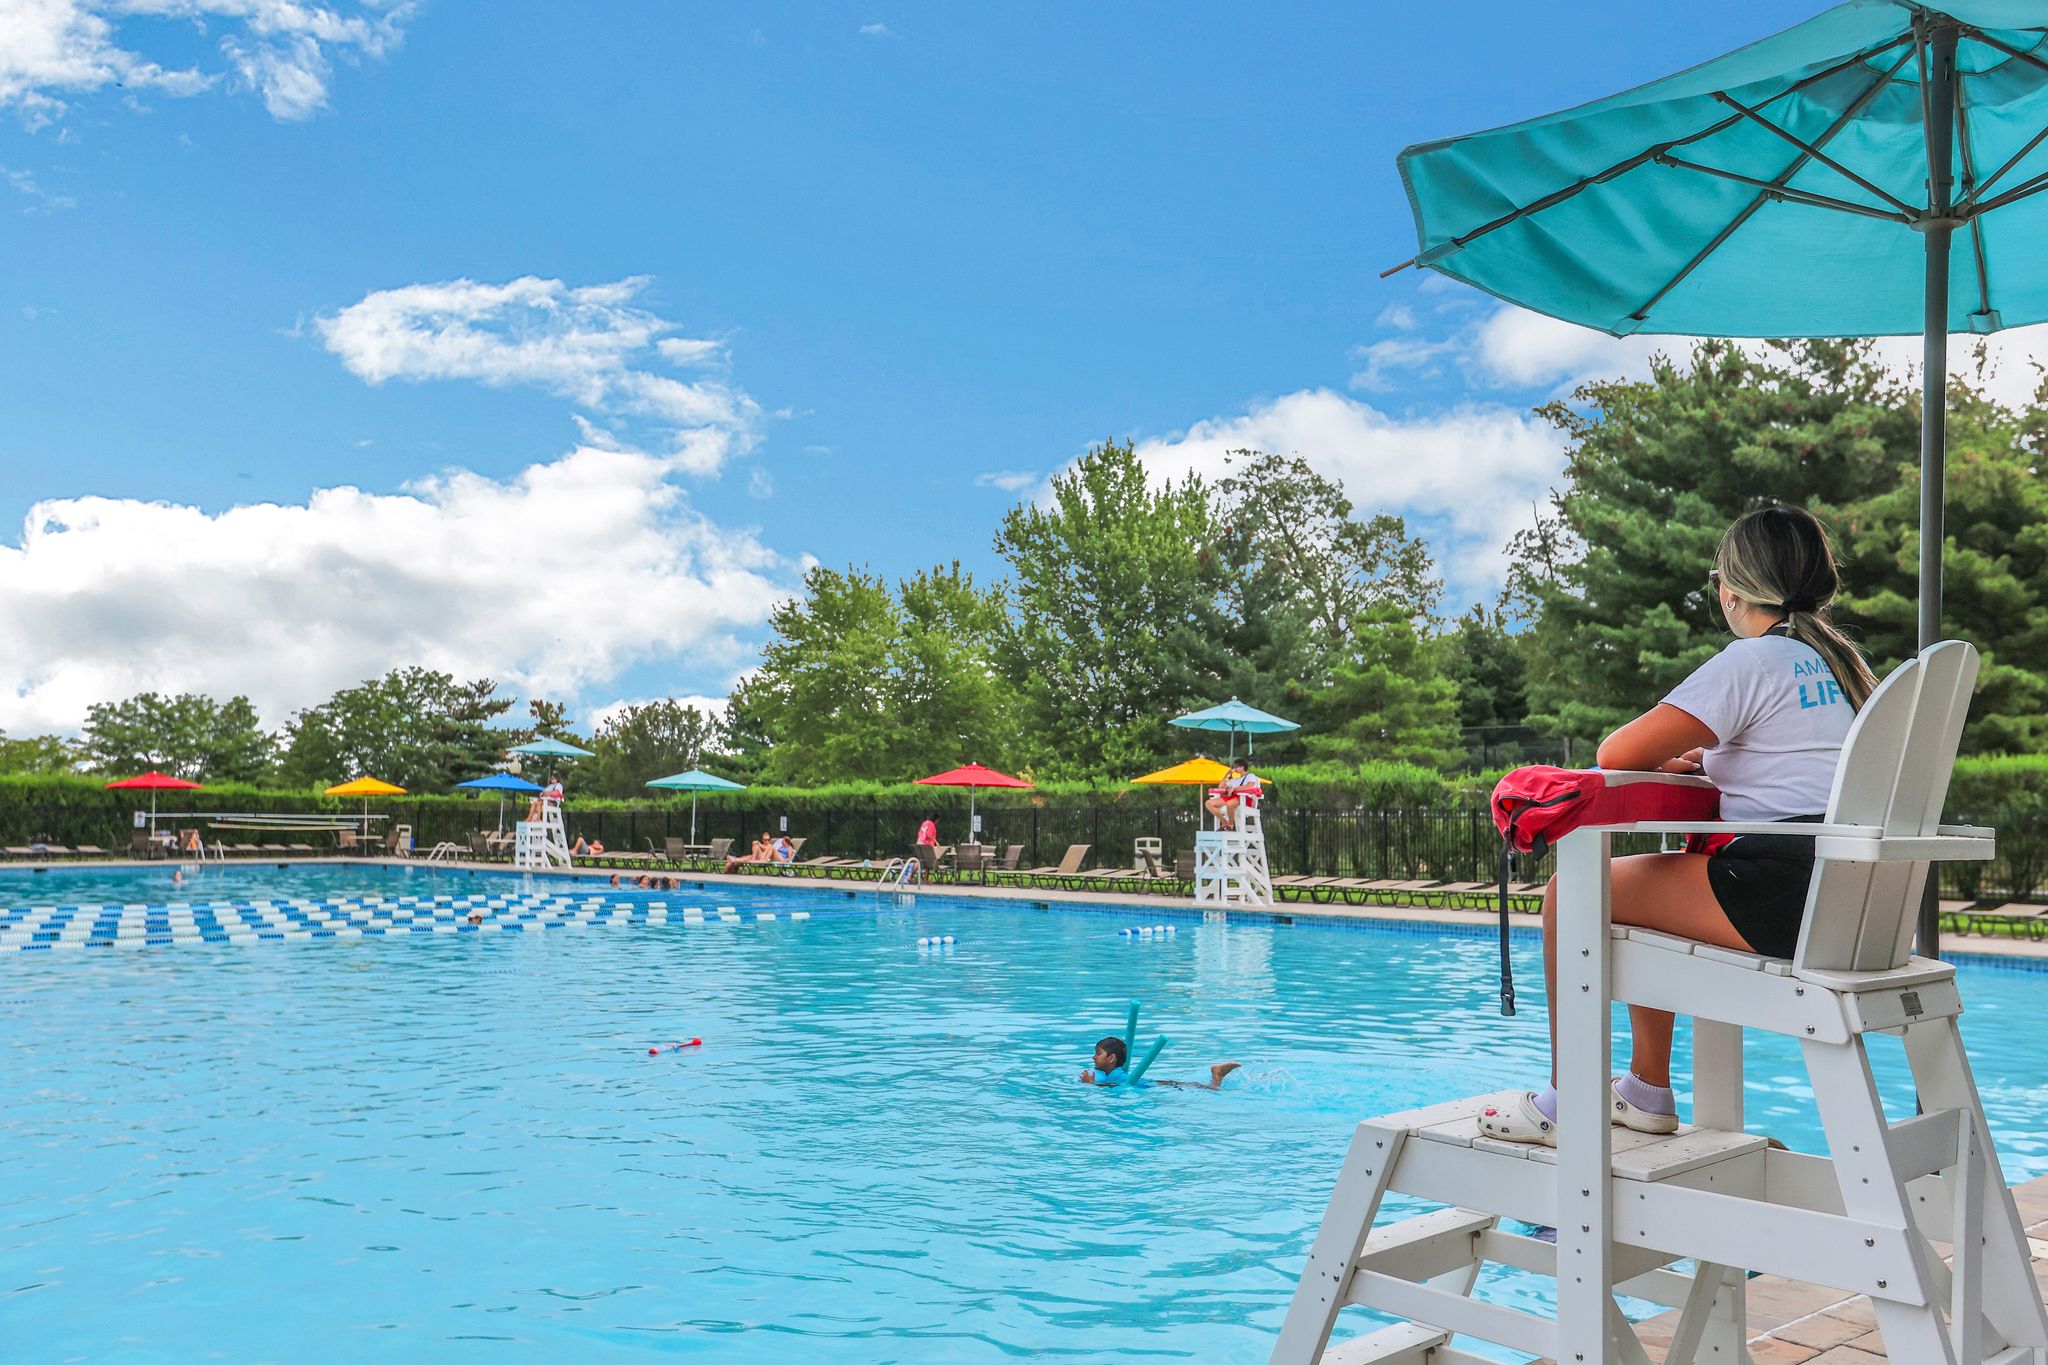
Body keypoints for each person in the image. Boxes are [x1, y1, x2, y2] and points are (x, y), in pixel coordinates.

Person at [1480, 506, 1875, 1147]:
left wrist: (1674, 756)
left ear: (1733, 589)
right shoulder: (1846, 669)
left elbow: (1615, 753)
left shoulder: (1753, 660)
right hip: (1851, 899)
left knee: (1571, 892)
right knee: (1646, 891)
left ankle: (1568, 1097)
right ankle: (1644, 1088)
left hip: (1787, 896)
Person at [1079, 1036, 1241, 1090]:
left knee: (1211, 1090)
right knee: (1198, 1087)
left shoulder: (1115, 1076)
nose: (1093, 1057)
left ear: (1111, 1058)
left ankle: (1217, 1074)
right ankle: (1216, 1076)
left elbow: (1116, 1086)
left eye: (1098, 1053)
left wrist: (1092, 1085)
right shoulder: (1114, 1073)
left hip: (1153, 1086)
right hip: (1153, 1083)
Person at [1204, 757, 1262, 831]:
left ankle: (1231, 824)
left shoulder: (1250, 776)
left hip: (1244, 798)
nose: (1235, 768)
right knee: (1209, 803)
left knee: (1229, 804)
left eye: (1236, 766)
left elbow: (1250, 785)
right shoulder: (1234, 780)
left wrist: (1235, 788)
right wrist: (1227, 773)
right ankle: (1224, 823)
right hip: (1231, 797)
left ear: (1242, 767)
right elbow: (1221, 786)